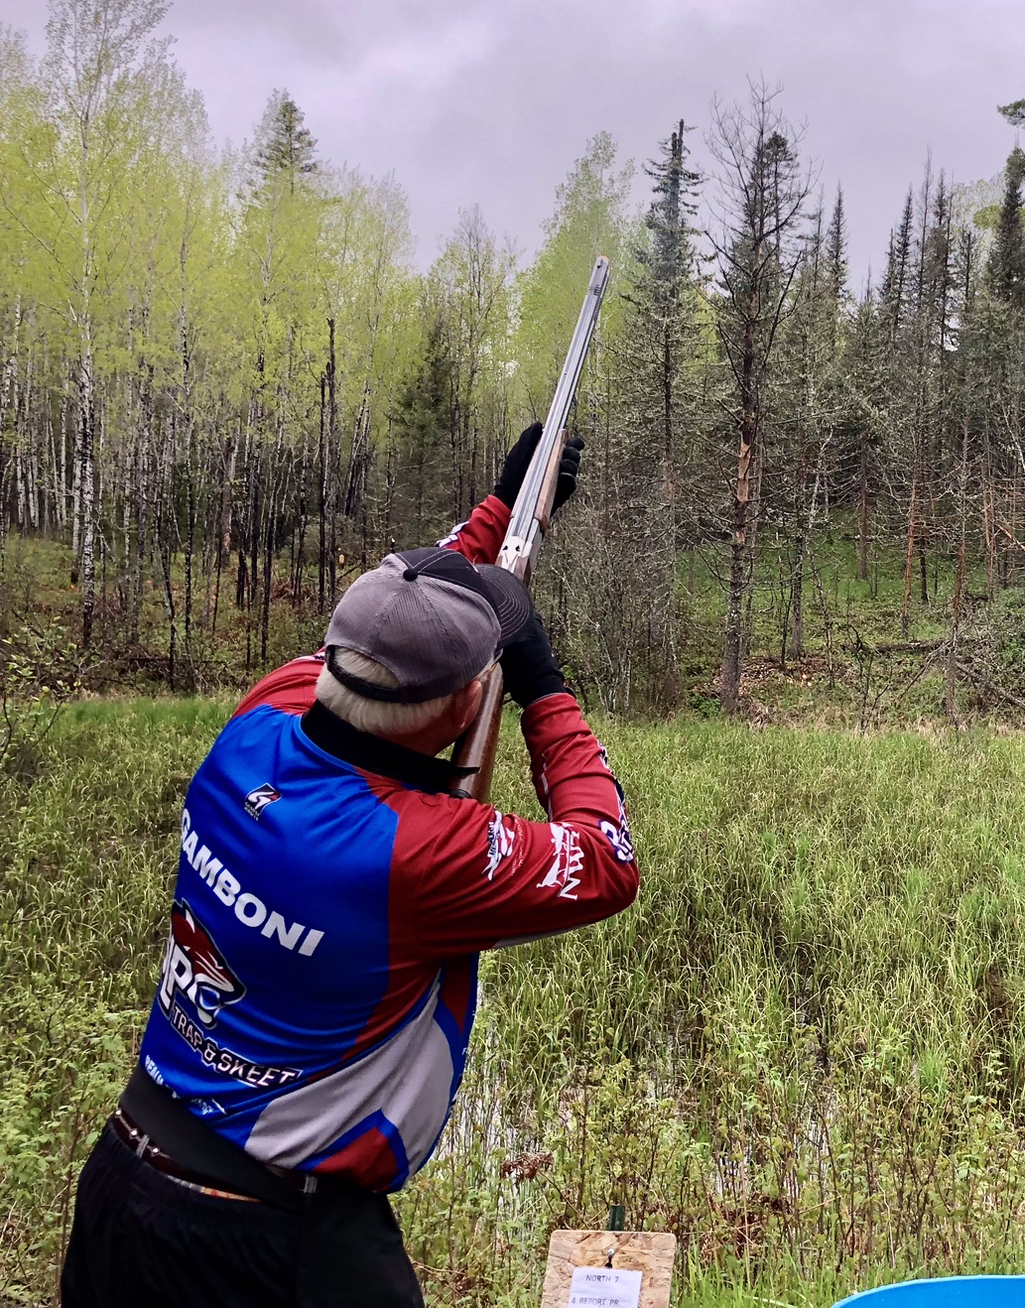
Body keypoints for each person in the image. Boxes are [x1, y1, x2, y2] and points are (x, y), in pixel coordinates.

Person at [61, 426, 639, 1308]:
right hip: (266, 1241)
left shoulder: (266, 715)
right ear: (461, 703)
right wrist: (546, 686)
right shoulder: (413, 850)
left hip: (123, 1181)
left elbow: (400, 605)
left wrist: (506, 508)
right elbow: (605, 860)